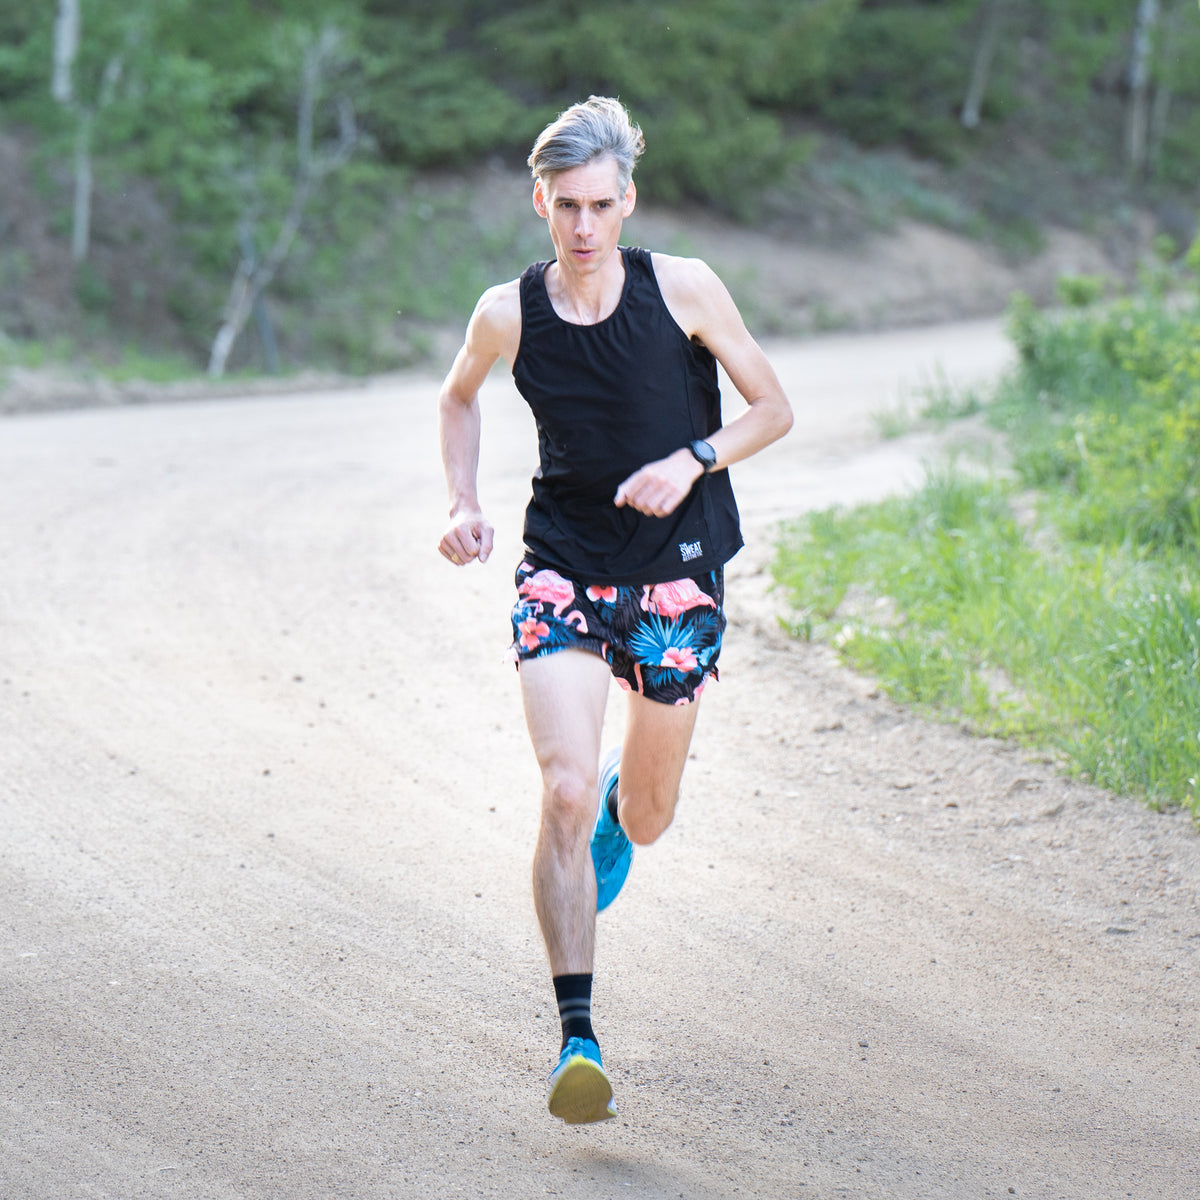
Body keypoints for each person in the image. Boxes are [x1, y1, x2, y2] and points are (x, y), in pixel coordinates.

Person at [436, 96, 792, 1125]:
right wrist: (463, 503)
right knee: (554, 788)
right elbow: (458, 397)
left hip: (676, 578)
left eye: (602, 205)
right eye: (566, 207)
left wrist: (694, 460)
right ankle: (576, 1038)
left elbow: (773, 407)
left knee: (645, 814)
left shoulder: (683, 290)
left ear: (628, 200)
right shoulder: (508, 312)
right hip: (563, 566)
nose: (585, 228)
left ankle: (612, 805)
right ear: (539, 202)